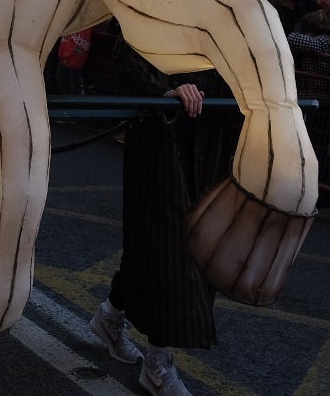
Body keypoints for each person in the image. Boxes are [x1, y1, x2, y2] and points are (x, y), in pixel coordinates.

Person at [89, 36, 238, 396]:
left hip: (207, 141)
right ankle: (157, 364)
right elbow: (128, 50)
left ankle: (110, 316)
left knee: (156, 243)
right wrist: (166, 89)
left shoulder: (220, 4)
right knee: (170, 247)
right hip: (162, 141)